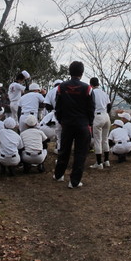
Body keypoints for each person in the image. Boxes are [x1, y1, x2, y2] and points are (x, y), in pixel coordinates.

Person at [53, 61, 95, 189]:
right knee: (80, 153)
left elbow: (58, 107)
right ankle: (74, 181)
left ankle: (59, 175)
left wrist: (61, 120)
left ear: (69, 72)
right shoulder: (87, 88)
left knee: (64, 150)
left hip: (67, 123)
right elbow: (91, 108)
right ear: (82, 73)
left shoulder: (61, 87)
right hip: (82, 124)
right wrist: (90, 123)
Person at [89, 77, 112, 169]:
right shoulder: (104, 93)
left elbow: (89, 106)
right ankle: (106, 161)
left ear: (91, 84)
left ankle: (99, 163)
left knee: (97, 140)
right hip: (106, 116)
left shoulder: (91, 93)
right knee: (105, 139)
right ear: (98, 83)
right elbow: (109, 105)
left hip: (97, 116)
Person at [43, 79, 63, 153]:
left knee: (59, 134)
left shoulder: (51, 92)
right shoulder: (66, 89)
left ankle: (59, 150)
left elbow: (47, 106)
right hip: (69, 114)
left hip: (57, 114)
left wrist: (54, 109)